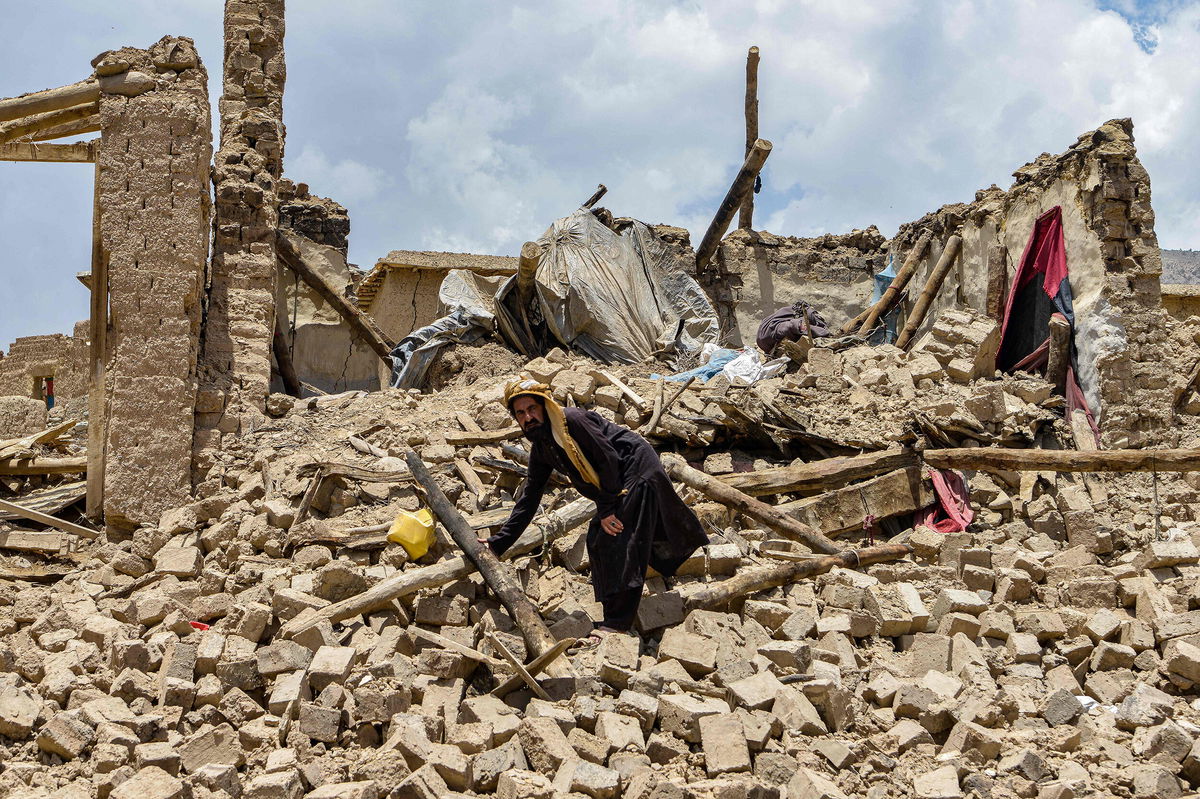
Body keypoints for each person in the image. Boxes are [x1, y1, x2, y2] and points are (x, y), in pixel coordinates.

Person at [482, 377, 708, 646]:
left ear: (545, 406)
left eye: (532, 408)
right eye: (521, 413)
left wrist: (608, 508)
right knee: (599, 539)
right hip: (616, 482)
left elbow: (608, 457)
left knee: (617, 537)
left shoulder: (572, 421)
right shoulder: (543, 446)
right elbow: (530, 496)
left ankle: (618, 624)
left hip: (634, 469)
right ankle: (615, 613)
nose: (528, 417)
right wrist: (498, 543)